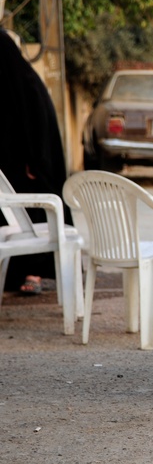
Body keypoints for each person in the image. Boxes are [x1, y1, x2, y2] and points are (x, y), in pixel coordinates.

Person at [0, 28, 72, 296]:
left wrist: (37, 159)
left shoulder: (26, 83)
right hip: (9, 159)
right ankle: (13, 273)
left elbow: (38, 119)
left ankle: (35, 271)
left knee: (36, 208)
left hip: (31, 160)